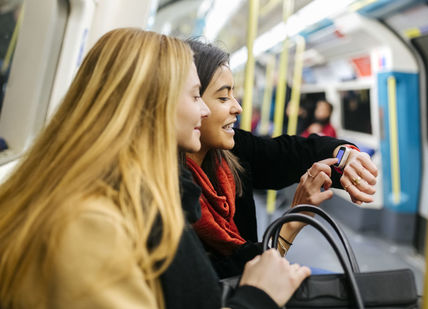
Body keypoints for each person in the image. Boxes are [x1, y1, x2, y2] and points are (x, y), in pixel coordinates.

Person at [0, 28, 309, 309]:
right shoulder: (93, 224)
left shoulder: (133, 194)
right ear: (153, 105)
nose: (202, 110)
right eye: (194, 95)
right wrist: (258, 299)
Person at [184, 39, 378, 278]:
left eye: (234, 95)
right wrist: (293, 221)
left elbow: (291, 151)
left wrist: (346, 157)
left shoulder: (232, 153)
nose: (238, 107)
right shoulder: (168, 193)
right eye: (223, 98)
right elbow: (217, 279)